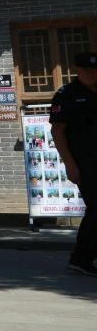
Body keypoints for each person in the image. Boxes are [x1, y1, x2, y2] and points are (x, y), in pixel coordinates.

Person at [52, 51, 97, 276]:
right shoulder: (67, 95)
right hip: (86, 163)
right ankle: (81, 257)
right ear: (77, 70)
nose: (92, 74)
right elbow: (58, 132)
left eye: (95, 70)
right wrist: (70, 165)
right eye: (87, 70)